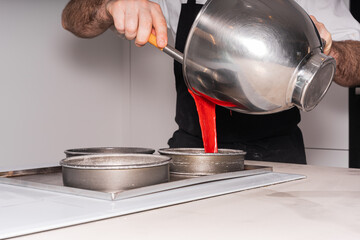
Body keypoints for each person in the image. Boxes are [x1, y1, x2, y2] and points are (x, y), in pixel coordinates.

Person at [62, 0, 360, 164]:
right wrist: (109, 6)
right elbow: (73, 18)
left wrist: (323, 52)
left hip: (277, 154)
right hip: (193, 151)